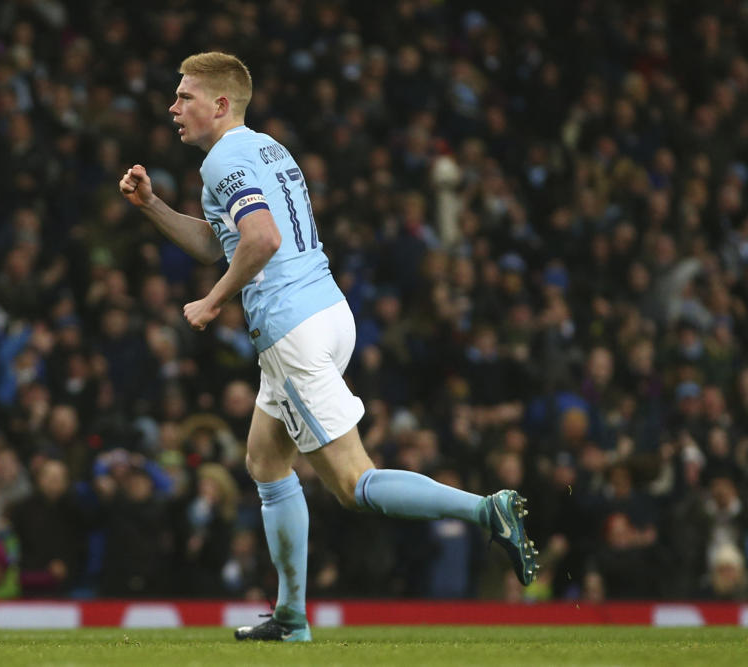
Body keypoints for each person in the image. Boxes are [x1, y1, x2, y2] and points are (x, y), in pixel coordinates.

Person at [119, 52, 538, 642]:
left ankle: (485, 509)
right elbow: (221, 243)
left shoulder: (224, 159)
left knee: (353, 484)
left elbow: (259, 240)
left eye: (184, 96)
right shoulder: (267, 149)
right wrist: (153, 206)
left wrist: (211, 302)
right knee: (265, 462)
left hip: (291, 329)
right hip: (327, 311)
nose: (173, 106)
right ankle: (290, 618)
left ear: (219, 104)